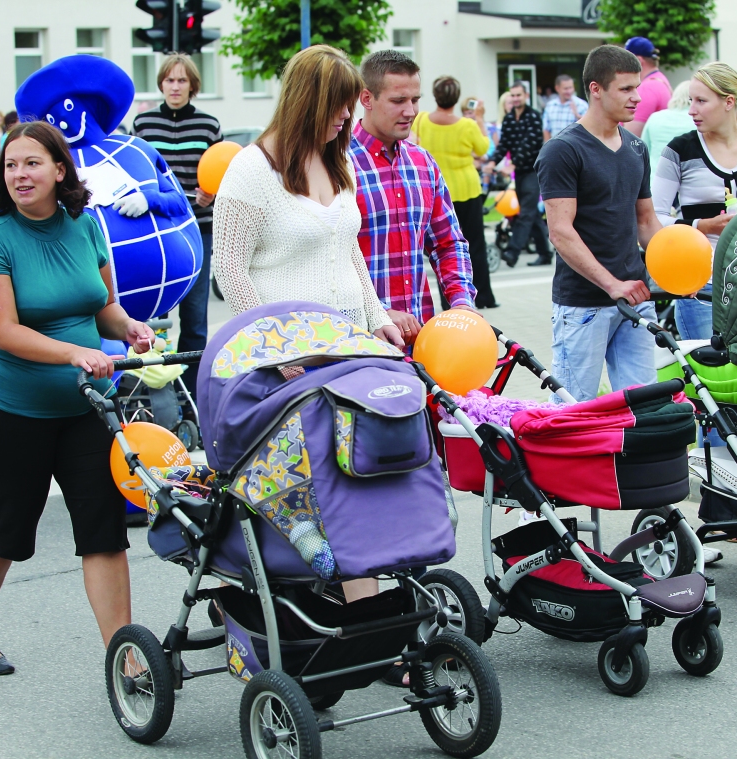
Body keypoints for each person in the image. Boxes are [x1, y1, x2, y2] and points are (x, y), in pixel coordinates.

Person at [0, 121, 155, 675]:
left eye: (32, 163)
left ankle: (125, 658)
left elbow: (103, 306)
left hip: (86, 408)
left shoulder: (86, 225)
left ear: (60, 170)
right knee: (8, 528)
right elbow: (3, 331)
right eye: (11, 164)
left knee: (104, 529)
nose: (19, 174)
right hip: (10, 411)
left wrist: (130, 328)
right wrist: (71, 353)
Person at [213, 45, 404, 604]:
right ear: (307, 103)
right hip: (291, 360)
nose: (347, 118)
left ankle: (368, 606)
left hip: (347, 347)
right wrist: (272, 348)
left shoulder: (335, 161)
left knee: (361, 478)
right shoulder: (252, 171)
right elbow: (230, 267)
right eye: (339, 107)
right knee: (327, 488)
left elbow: (350, 254)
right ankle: (358, 607)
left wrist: (376, 320)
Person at [536, 44, 664, 404]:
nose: (637, 97)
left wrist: (678, 272)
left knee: (645, 409)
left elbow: (646, 222)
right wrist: (612, 285)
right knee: (572, 412)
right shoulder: (563, 150)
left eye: (637, 87)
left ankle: (632, 464)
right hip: (583, 306)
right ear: (595, 89)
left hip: (636, 299)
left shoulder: (637, 148)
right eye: (625, 89)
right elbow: (561, 232)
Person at [652, 62, 737, 356]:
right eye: (691, 100)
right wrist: (702, 226)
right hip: (698, 286)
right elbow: (652, 218)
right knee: (707, 378)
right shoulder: (679, 150)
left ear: (729, 102)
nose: (691, 110)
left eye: (701, 101)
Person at [349, 49, 478, 343]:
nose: (410, 111)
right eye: (398, 101)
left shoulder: (423, 163)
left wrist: (461, 303)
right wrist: (377, 312)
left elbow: (448, 243)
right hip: (360, 343)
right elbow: (325, 262)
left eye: (415, 100)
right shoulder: (338, 165)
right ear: (367, 99)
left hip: (420, 341)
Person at [133, 54, 223, 403]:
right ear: (161, 84)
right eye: (169, 80)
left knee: (195, 317)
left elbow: (223, 178)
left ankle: (193, 396)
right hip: (155, 233)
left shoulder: (208, 125)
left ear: (192, 85)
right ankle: (159, 389)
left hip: (196, 231)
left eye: (182, 80)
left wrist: (209, 196)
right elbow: (134, 174)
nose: (175, 87)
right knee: (154, 316)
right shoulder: (143, 123)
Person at [411, 77, 497, 309]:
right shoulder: (466, 125)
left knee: (442, 247)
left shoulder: (420, 120)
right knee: (474, 244)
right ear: (457, 98)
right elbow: (483, 150)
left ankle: (448, 301)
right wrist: (479, 118)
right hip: (466, 188)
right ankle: (483, 296)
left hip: (435, 190)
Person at [484, 80, 550, 267]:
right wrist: (492, 162)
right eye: (512, 95)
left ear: (526, 96)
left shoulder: (534, 117)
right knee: (533, 216)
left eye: (518, 95)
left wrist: (512, 164)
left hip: (533, 171)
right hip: (519, 173)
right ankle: (545, 253)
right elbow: (504, 144)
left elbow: (530, 145)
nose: (515, 98)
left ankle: (512, 253)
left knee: (526, 213)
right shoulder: (509, 118)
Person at [641, 80, 696, 185]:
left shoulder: (655, 118)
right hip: (688, 184)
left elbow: (644, 151)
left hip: (655, 181)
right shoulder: (697, 120)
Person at [624, 37, 671, 137]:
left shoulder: (647, 88)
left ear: (639, 61)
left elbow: (630, 138)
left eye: (625, 61)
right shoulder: (661, 81)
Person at [542, 74, 589, 141]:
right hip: (554, 147)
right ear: (557, 88)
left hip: (574, 147)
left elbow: (590, 128)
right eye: (566, 88)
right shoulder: (550, 106)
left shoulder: (581, 105)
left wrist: (577, 116)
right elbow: (546, 129)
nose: (569, 91)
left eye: (571, 88)